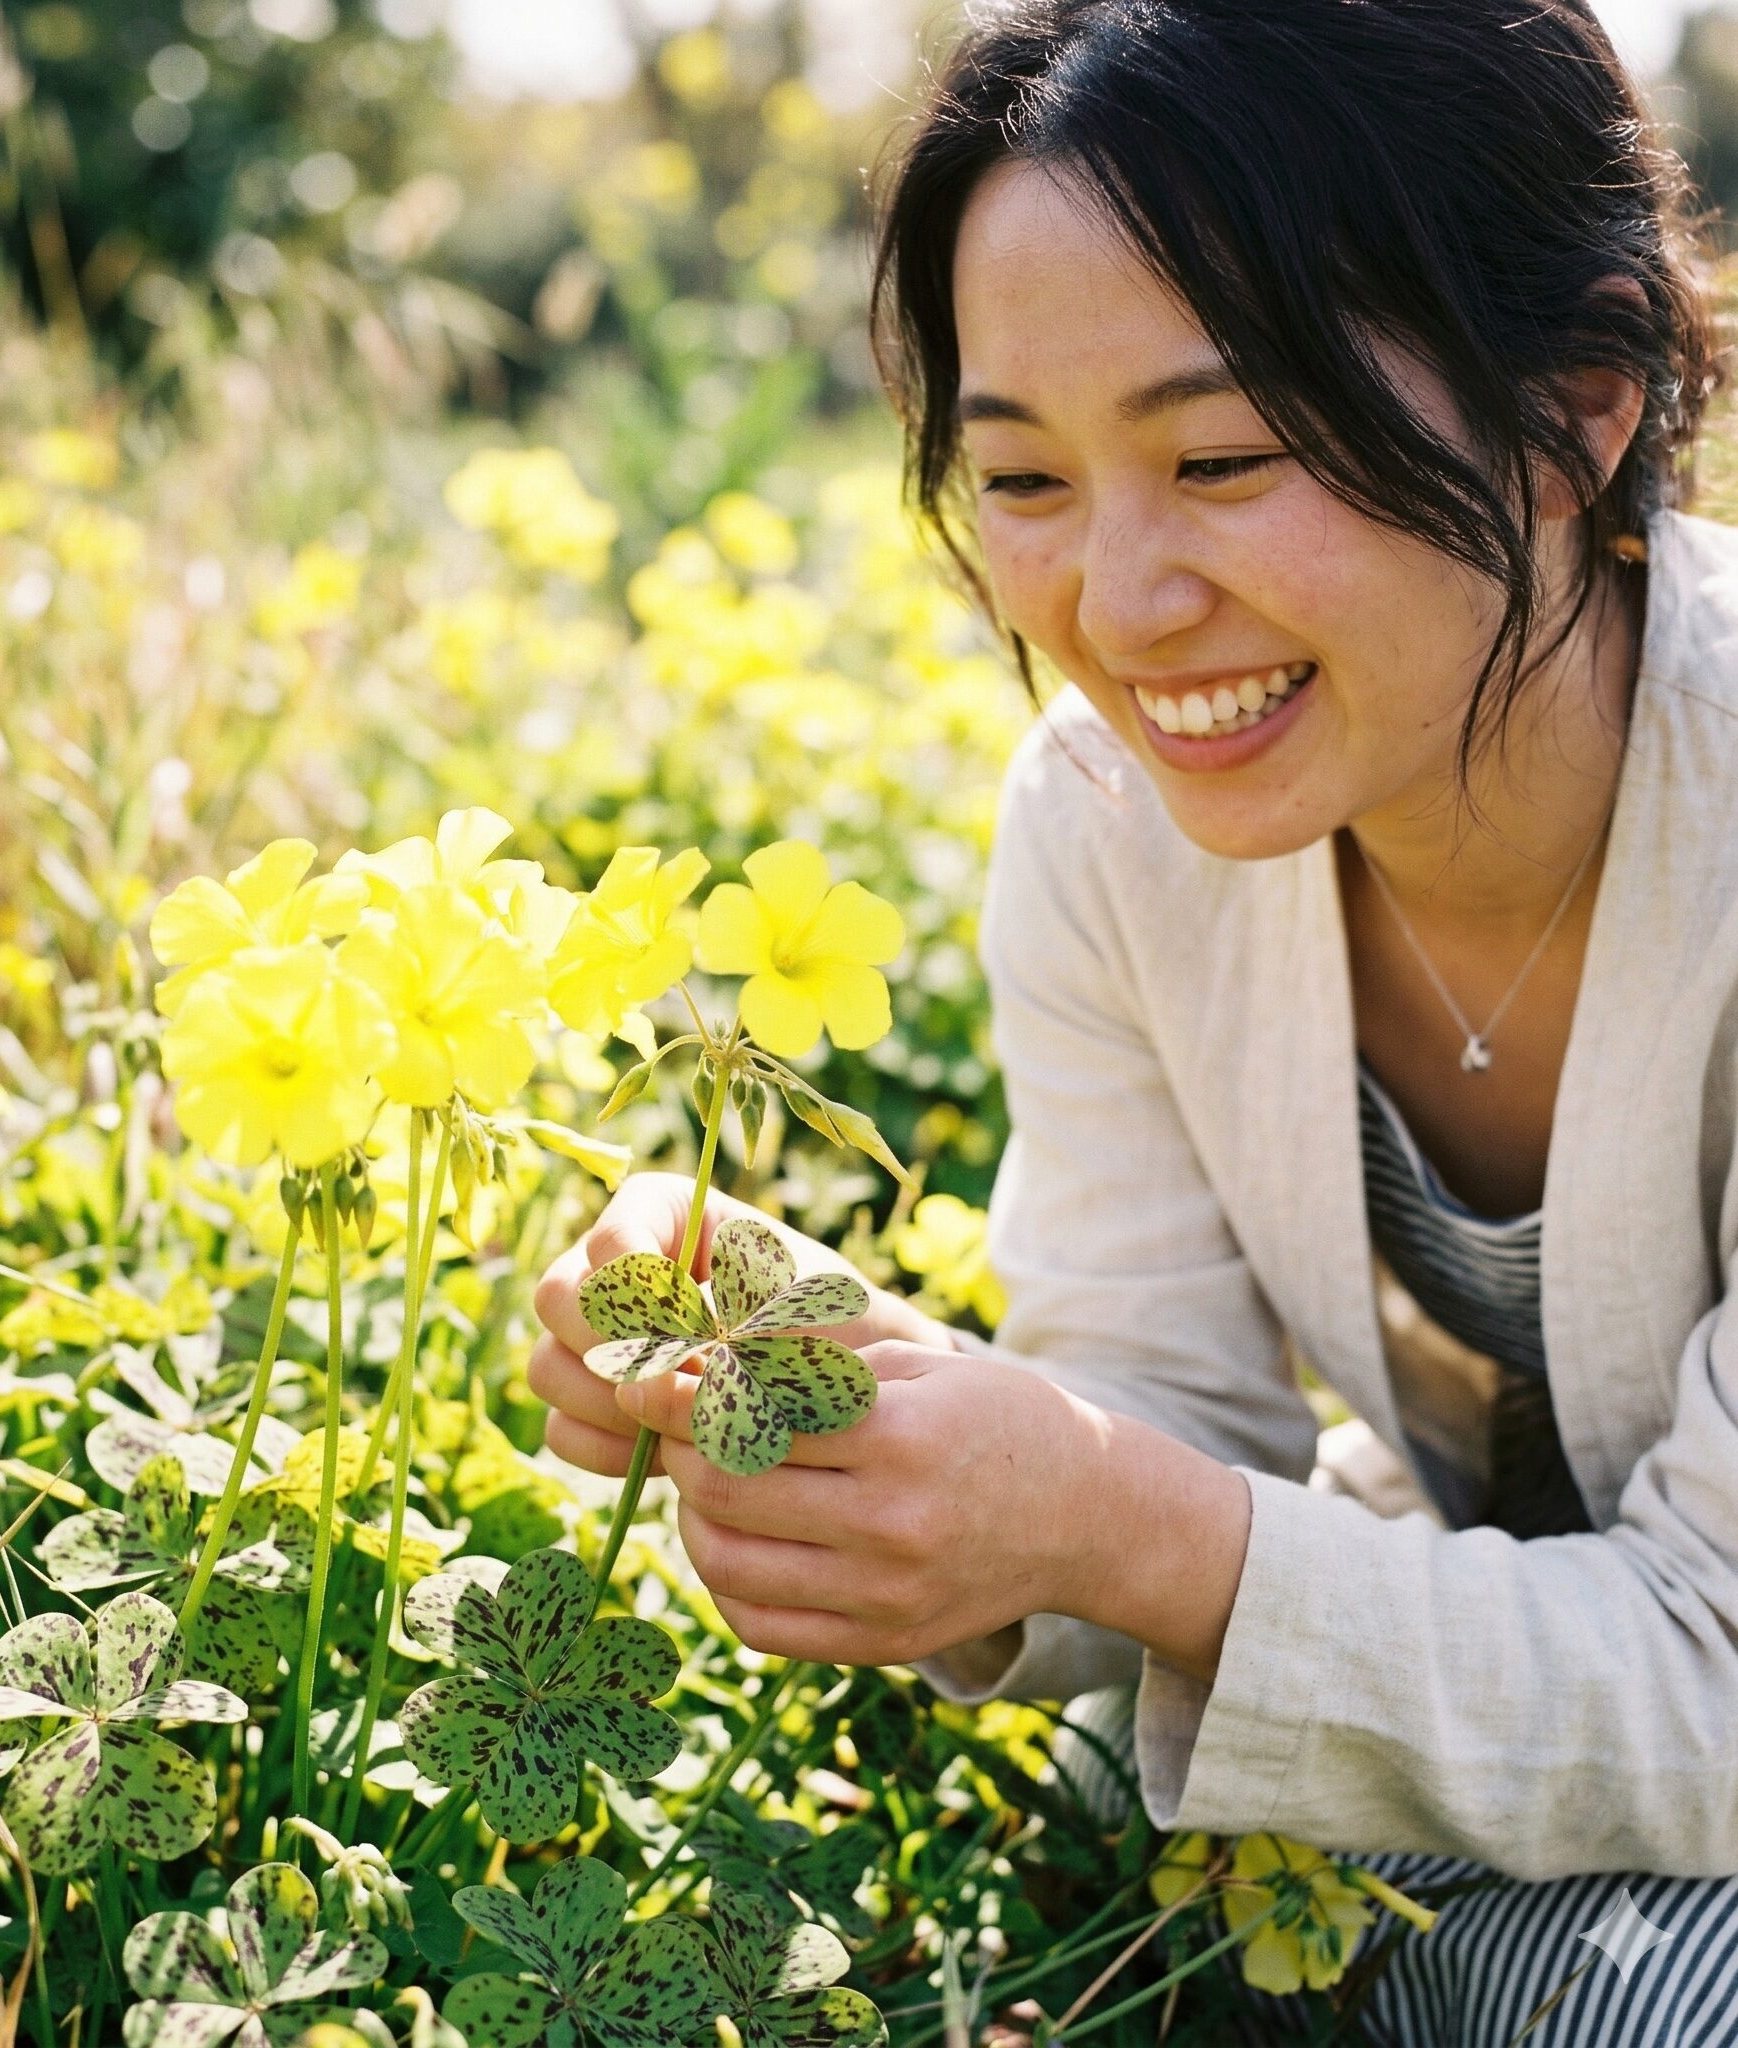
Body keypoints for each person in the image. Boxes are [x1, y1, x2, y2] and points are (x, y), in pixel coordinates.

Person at [528, 2, 1738, 2037]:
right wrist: (861, 1393)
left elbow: (1714, 1676)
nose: (1111, 598)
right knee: (1128, 1816)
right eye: (1020, 476)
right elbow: (1159, 1423)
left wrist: (1122, 1525)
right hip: (1540, 1614)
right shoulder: (1109, 825)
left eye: (1221, 458)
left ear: (1578, 406)